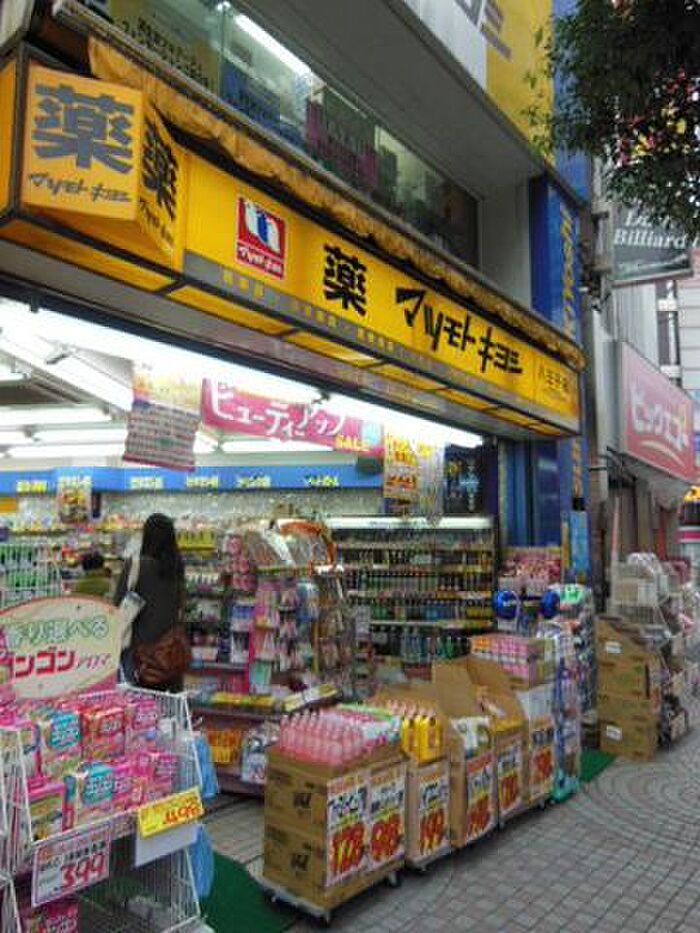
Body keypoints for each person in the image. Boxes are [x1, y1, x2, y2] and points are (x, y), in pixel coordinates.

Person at [115, 513, 186, 692]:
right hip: (169, 651)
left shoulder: (136, 565)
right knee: (167, 702)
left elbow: (118, 606)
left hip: (139, 652)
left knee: (137, 700)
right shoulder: (177, 568)